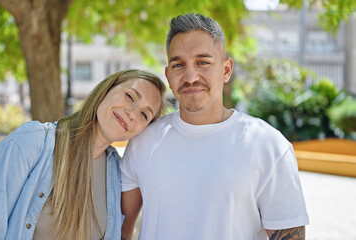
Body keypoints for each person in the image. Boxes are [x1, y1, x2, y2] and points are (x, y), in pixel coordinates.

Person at [120, 13, 309, 240]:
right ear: (168, 76)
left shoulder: (268, 145)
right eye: (179, 64)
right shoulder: (143, 141)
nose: (190, 77)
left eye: (203, 62)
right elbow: (121, 230)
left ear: (226, 70)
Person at [0, 69, 166, 240]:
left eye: (144, 115)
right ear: (106, 89)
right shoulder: (31, 142)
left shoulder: (116, 172)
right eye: (130, 96)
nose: (132, 112)